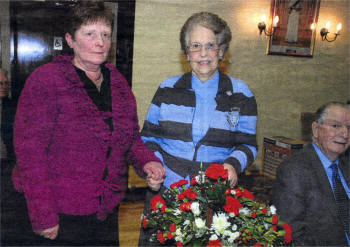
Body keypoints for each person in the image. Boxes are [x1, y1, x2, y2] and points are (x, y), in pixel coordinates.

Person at [12, 1, 165, 246]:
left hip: (106, 210)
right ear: (70, 40)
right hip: (60, 214)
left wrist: (147, 161)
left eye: (105, 34)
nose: (100, 42)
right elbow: (30, 155)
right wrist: (44, 215)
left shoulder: (118, 84)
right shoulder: (45, 81)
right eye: (90, 34)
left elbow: (130, 138)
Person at [138, 12, 258, 246]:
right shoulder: (167, 87)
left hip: (214, 197)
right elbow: (149, 137)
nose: (203, 54)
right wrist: (153, 167)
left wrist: (232, 165)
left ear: (221, 51)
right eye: (195, 46)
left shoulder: (242, 93)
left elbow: (248, 144)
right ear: (187, 52)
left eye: (211, 45)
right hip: (166, 191)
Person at [272, 101, 350, 246]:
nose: (345, 134)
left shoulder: (347, 164)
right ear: (315, 129)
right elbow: (291, 233)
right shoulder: (293, 170)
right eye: (336, 126)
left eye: (349, 128)